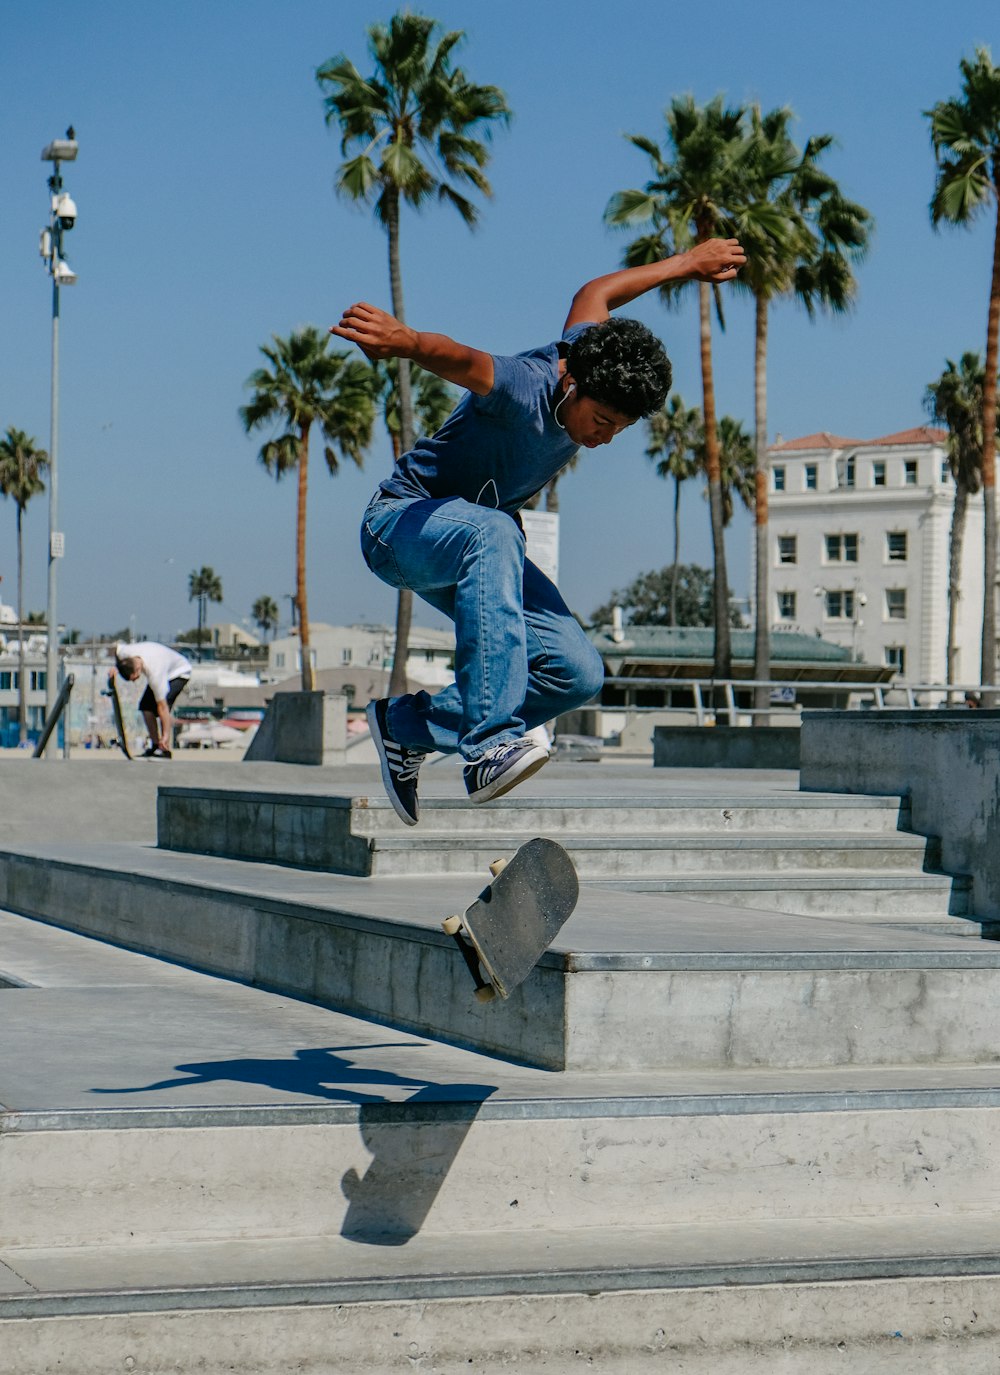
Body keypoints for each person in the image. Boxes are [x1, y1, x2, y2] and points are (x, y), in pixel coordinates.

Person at [331, 237, 746, 825]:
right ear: (572, 385)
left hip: (477, 549)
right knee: (497, 530)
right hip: (400, 527)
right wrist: (407, 342)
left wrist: (687, 263)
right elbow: (463, 360)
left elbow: (595, 293)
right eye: (600, 421)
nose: (602, 438)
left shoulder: (588, 349)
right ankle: (487, 745)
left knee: (576, 672)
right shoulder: (524, 385)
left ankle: (405, 727)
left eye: (618, 431)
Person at [110, 640, 193, 758]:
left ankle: (164, 747)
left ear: (138, 669)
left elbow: (163, 707)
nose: (134, 681)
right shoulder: (124, 653)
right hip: (162, 664)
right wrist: (116, 667)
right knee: (145, 707)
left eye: (134, 678)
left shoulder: (155, 673)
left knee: (163, 706)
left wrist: (165, 735)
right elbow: (117, 650)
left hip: (179, 672)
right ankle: (154, 745)